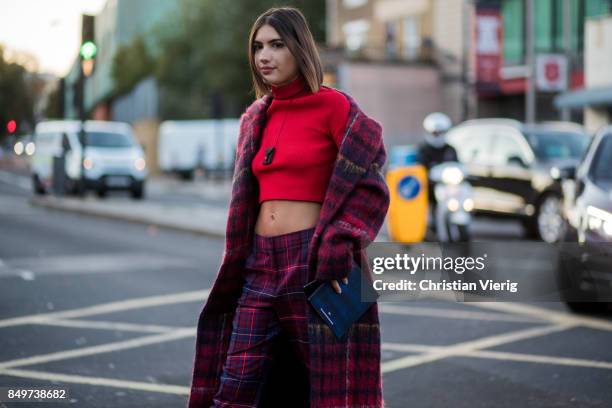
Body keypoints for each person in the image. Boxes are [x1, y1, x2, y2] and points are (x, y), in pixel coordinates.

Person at [188, 7, 390, 408]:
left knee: (329, 389)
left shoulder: (333, 106)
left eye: (277, 45)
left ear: (299, 48)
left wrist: (340, 239)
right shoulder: (255, 118)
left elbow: (370, 180)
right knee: (234, 385)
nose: (265, 56)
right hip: (259, 265)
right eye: (259, 47)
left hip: (313, 264)